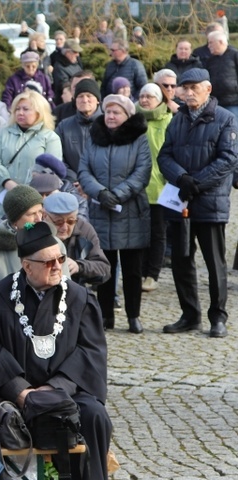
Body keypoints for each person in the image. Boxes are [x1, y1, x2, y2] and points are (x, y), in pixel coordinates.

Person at [0, 221, 112, 480]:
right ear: (27, 266)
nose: (58, 266)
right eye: (49, 262)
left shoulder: (79, 298)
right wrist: (21, 392)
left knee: (95, 416)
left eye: (61, 259)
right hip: (10, 394)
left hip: (66, 393)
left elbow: (91, 351)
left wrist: (53, 390)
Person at [158, 68, 236, 338]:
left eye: (194, 88)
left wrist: (196, 183)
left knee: (214, 263)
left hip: (210, 202)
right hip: (180, 199)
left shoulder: (226, 119)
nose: (188, 92)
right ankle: (190, 315)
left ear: (208, 89)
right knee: (181, 260)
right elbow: (164, 155)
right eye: (184, 88)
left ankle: (218, 317)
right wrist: (181, 178)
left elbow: (228, 160)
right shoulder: (177, 120)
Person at [78, 94, 151, 333]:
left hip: (130, 211)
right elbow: (84, 169)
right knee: (103, 266)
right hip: (101, 211)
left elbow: (142, 172)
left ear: (127, 115)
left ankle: (133, 316)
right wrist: (100, 192)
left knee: (132, 269)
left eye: (116, 112)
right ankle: (105, 315)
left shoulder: (139, 139)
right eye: (107, 111)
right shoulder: (94, 137)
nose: (110, 116)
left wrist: (118, 194)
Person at [0, 90, 62, 218]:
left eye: (26, 109)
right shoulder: (4, 133)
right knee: (4, 234)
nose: (20, 113)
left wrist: (27, 192)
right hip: (5, 199)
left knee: (29, 232)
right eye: (17, 109)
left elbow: (52, 173)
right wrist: (7, 181)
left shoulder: (50, 137)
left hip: (34, 203)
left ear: (39, 112)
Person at [0, 185, 46, 300]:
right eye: (31, 214)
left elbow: (65, 288)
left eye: (40, 212)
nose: (39, 219)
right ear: (15, 219)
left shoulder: (53, 242)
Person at [136, 84, 172, 293]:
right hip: (138, 187)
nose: (145, 100)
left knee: (158, 233)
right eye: (142, 96)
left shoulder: (168, 121)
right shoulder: (134, 121)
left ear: (159, 99)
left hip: (161, 187)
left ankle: (152, 274)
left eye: (150, 96)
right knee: (140, 233)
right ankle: (140, 272)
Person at [43, 192, 110, 286]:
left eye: (70, 221)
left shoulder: (84, 229)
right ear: (45, 216)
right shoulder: (34, 228)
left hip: (73, 290)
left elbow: (104, 269)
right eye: (58, 222)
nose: (65, 228)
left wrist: (79, 266)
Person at [55, 79, 102, 177]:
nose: (84, 100)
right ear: (75, 100)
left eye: (89, 96)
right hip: (71, 185)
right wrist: (74, 179)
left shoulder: (109, 124)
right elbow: (58, 158)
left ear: (98, 100)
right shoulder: (63, 126)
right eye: (80, 96)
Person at [204, 31, 238, 119]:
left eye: (211, 42)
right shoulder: (210, 60)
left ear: (220, 42)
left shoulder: (235, 55)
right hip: (215, 103)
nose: (208, 46)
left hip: (233, 103)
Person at [52, 40, 84, 105]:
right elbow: (63, 84)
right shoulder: (60, 66)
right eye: (75, 52)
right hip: (66, 102)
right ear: (67, 52)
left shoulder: (76, 63)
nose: (77, 55)